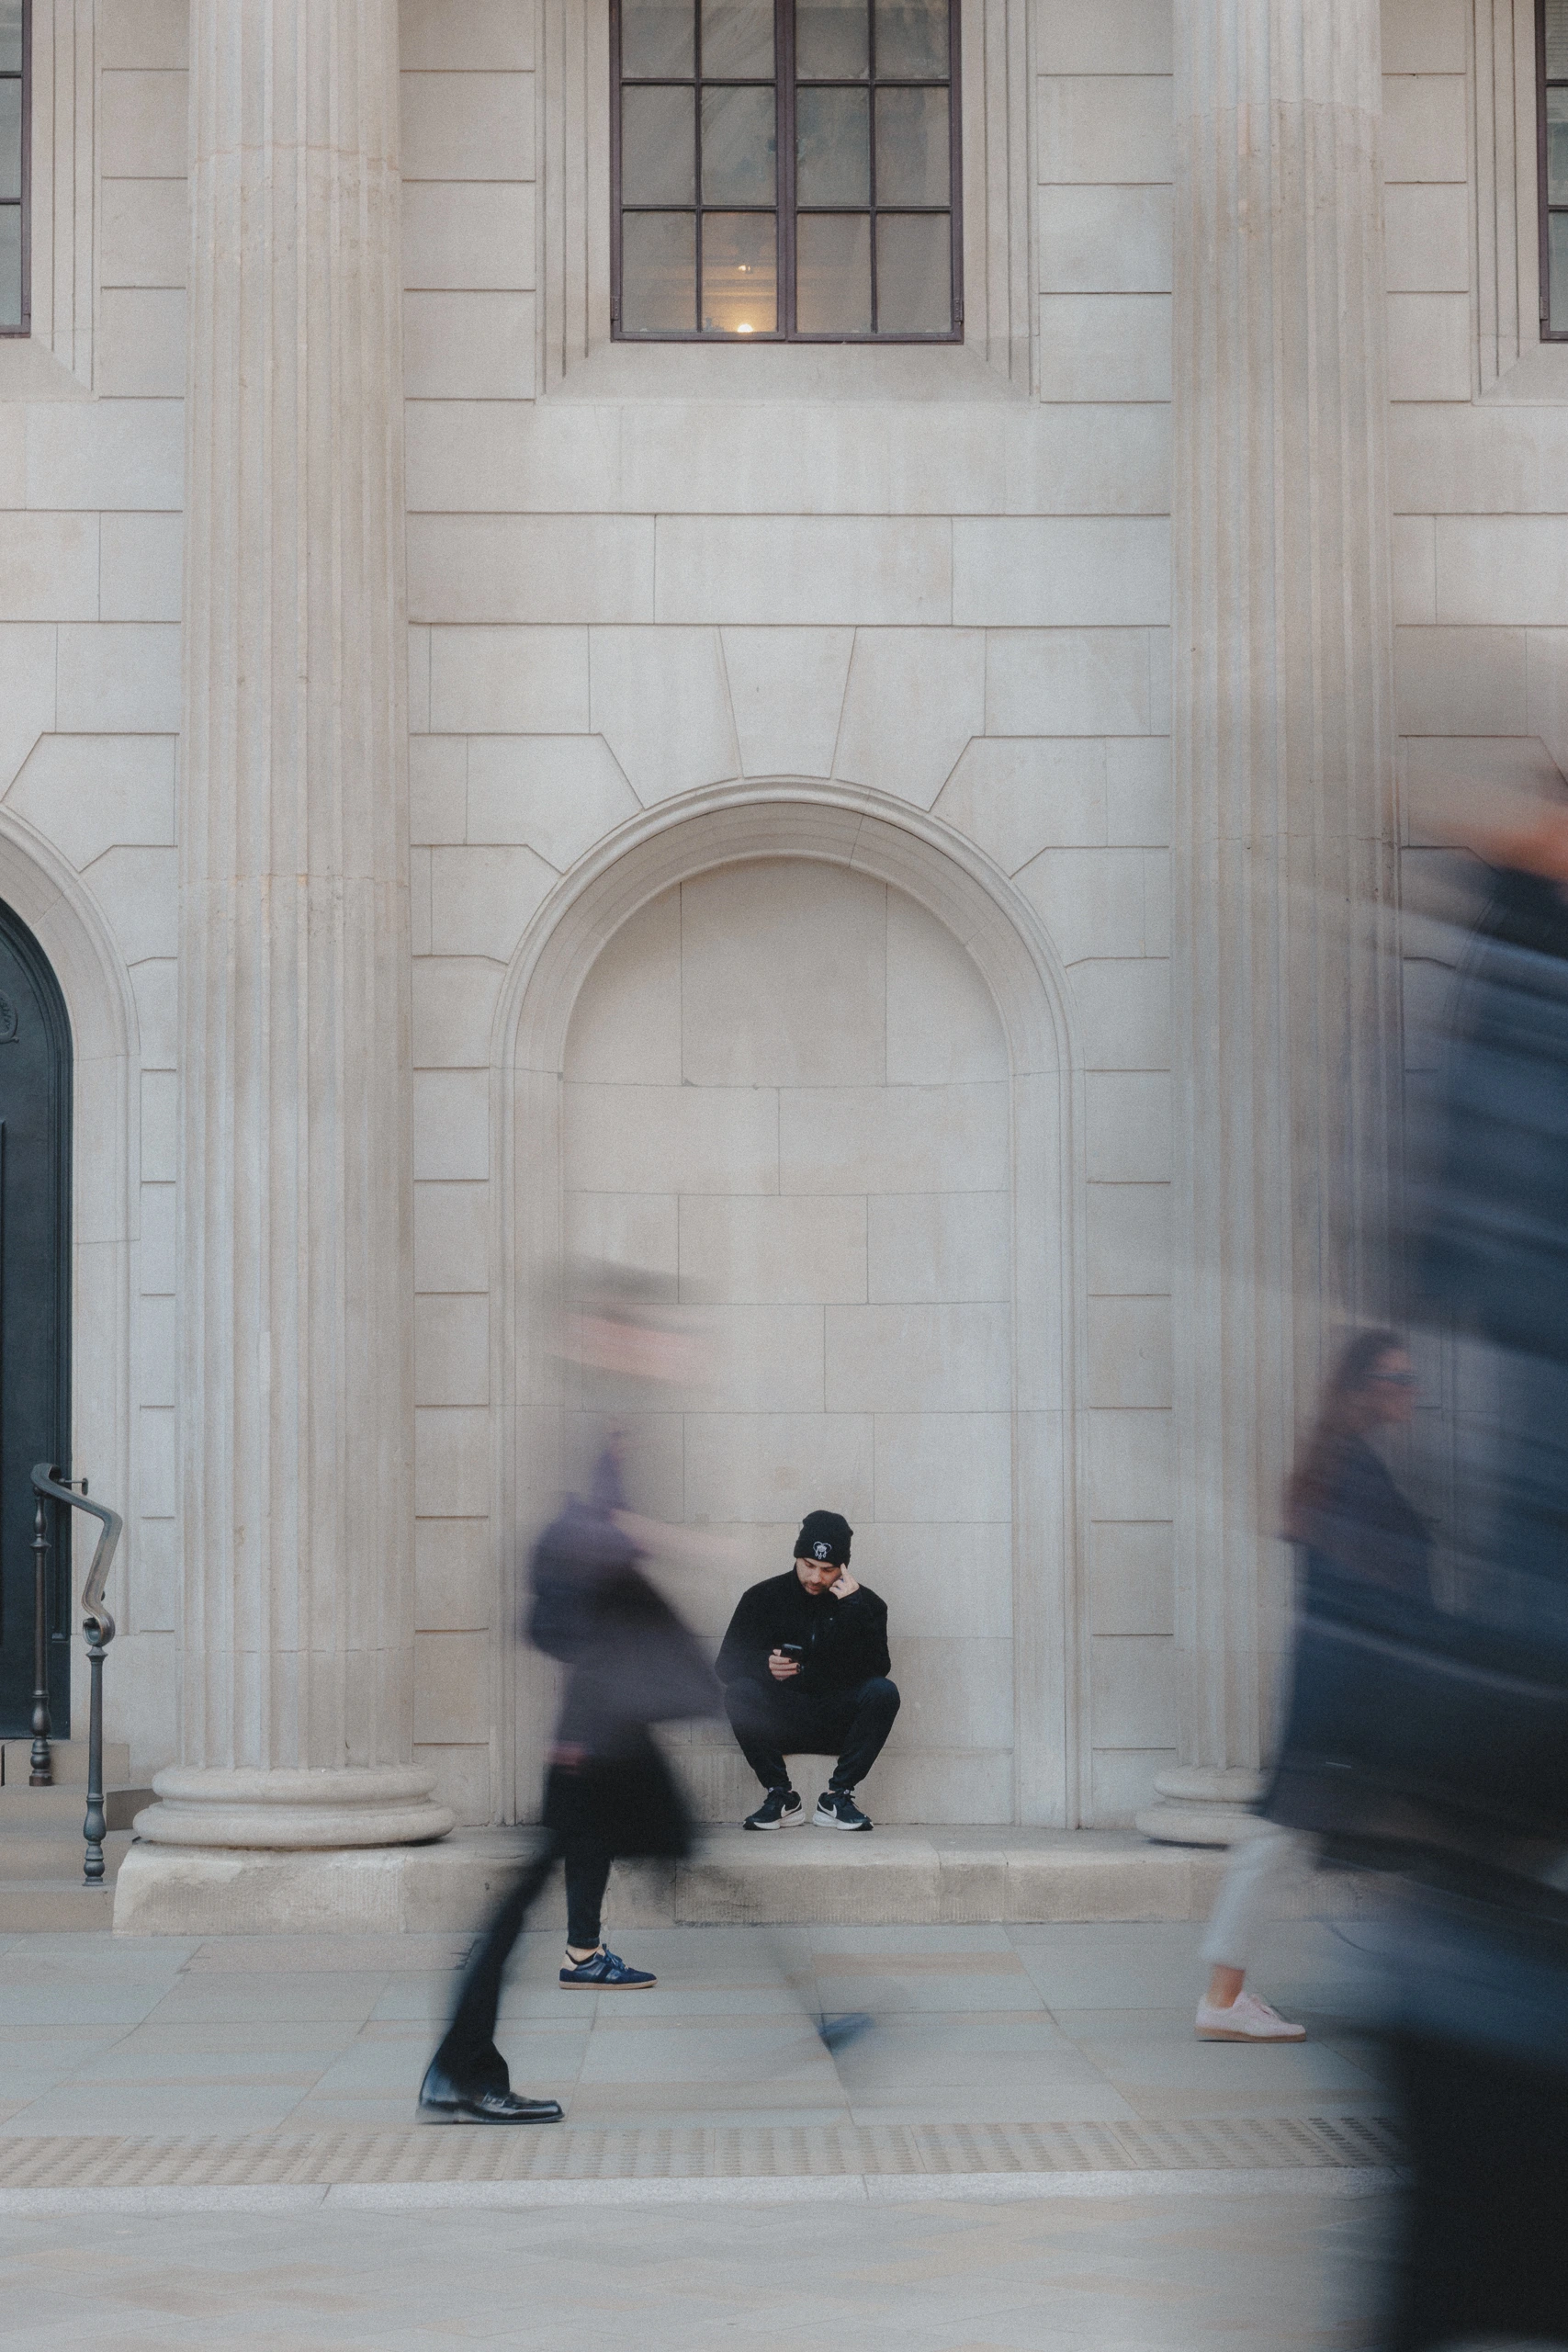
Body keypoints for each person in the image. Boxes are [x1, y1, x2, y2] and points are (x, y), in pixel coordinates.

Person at [420, 1439, 716, 2124]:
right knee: (532, 1896)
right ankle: (461, 2070)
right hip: (592, 1738)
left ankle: (464, 2064)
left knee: (666, 1856)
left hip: (604, 1734)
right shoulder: (584, 1525)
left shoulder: (594, 1518)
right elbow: (561, 1621)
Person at [1195, 1329, 1429, 2042]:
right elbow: (1369, 1595)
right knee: (1275, 1840)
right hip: (1345, 1694)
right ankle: (1223, 1997)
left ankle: (1226, 1995)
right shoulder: (1352, 1473)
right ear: (1361, 1389)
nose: (1408, 1389)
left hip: (1340, 1689)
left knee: (1279, 1839)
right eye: (1395, 1378)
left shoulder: (1347, 1465)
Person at [716, 1510, 899, 1833]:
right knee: (740, 1692)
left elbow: (878, 1668)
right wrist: (764, 1665)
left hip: (837, 1721)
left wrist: (853, 1612)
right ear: (797, 1557)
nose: (816, 1578)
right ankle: (781, 1796)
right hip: (781, 1719)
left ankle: (837, 1797)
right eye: (808, 1565)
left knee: (884, 1693)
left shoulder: (868, 1605)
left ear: (843, 1568)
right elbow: (726, 1665)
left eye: (827, 1570)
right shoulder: (761, 1597)